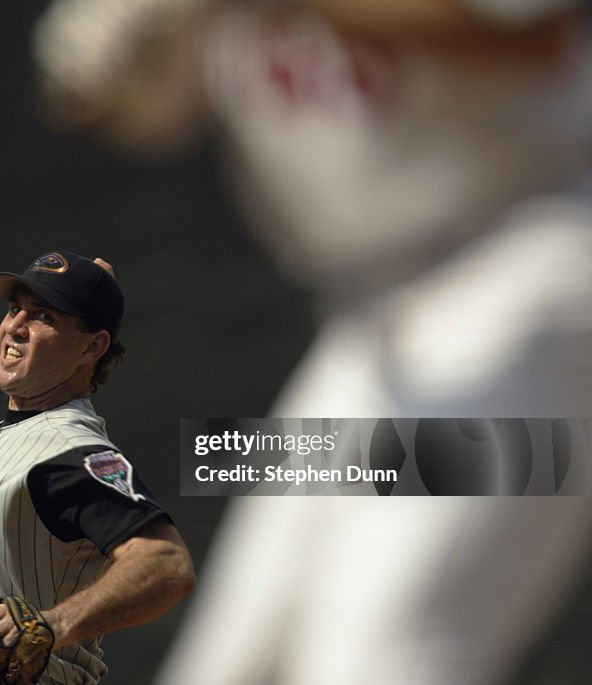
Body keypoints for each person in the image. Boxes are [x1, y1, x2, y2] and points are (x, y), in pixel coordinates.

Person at [31, 1, 592, 683]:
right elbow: (125, 110)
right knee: (226, 668)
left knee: (380, 655)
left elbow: (534, 36)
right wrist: (108, 62)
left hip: (534, 275)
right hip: (368, 327)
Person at [0, 250, 196, 684]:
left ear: (93, 346)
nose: (15, 327)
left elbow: (167, 565)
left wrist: (53, 625)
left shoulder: (67, 450)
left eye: (42, 316)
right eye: (14, 308)